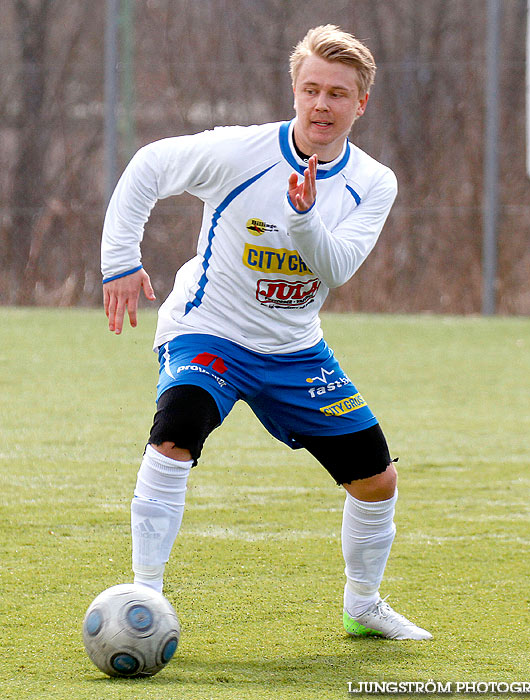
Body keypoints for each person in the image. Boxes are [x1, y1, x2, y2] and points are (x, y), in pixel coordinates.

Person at [101, 24, 431, 641]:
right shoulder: (239, 151)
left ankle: (362, 605)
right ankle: (144, 594)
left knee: (376, 478)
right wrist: (119, 260)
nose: (321, 105)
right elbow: (149, 165)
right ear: (294, 91)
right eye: (311, 89)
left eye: (337, 94)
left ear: (361, 103)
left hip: (293, 349)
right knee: (175, 432)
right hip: (210, 331)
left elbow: (334, 268)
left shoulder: (373, 182)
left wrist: (304, 218)